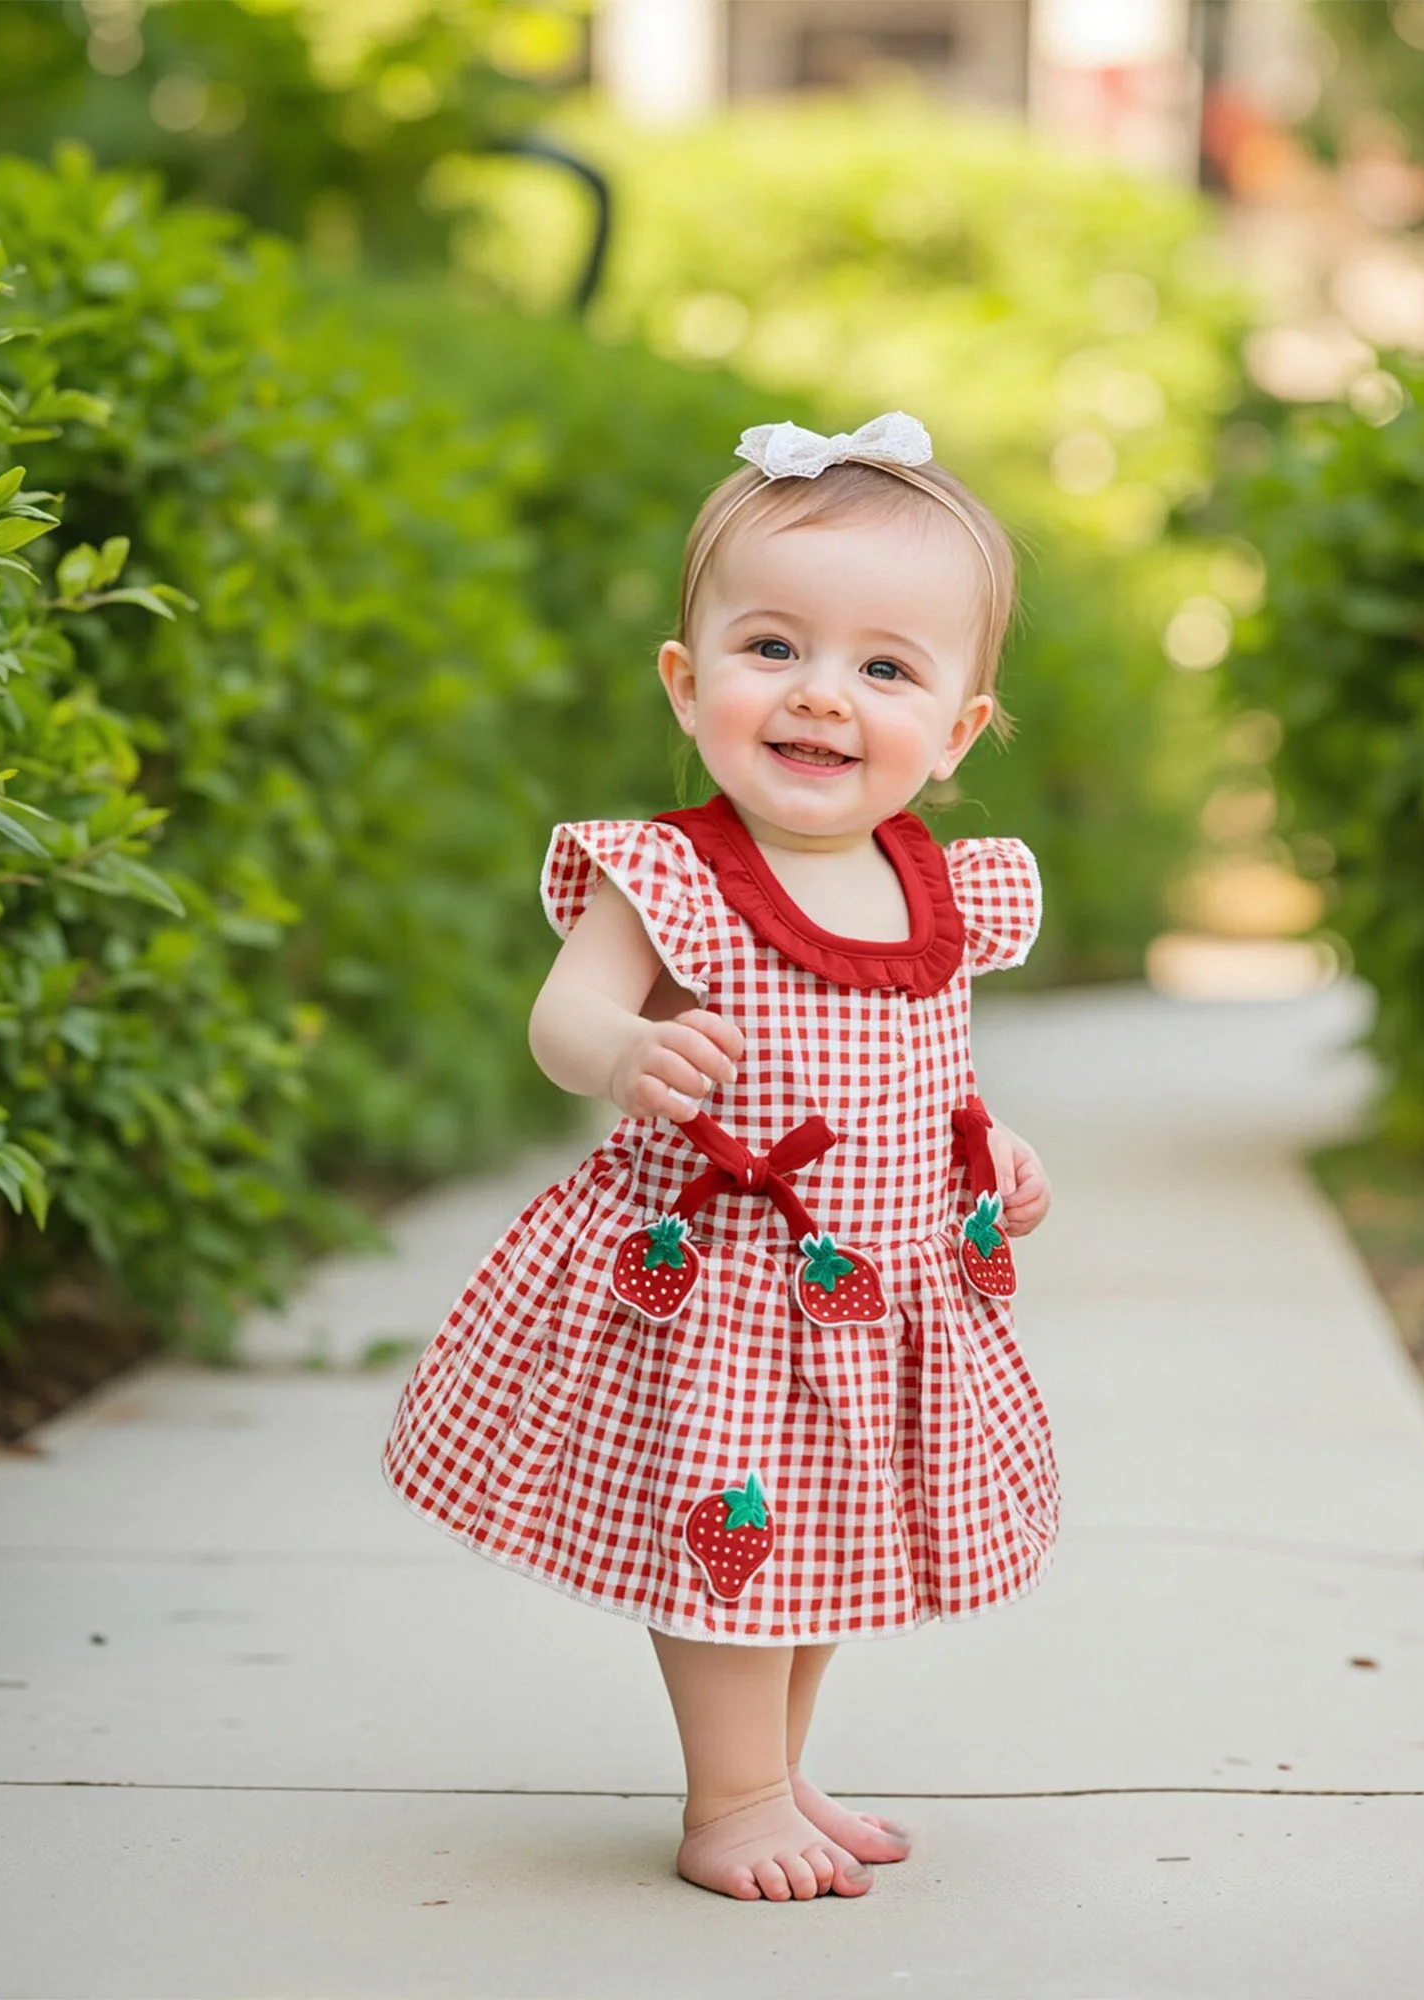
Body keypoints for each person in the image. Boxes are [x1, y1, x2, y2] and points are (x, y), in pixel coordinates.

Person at [382, 411, 1056, 1904]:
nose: (823, 695)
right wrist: (627, 1056)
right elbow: (566, 1018)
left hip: (876, 1300)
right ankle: (732, 1797)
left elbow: (929, 1067)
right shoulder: (676, 871)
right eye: (772, 648)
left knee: (820, 1546)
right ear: (688, 686)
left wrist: (992, 1147)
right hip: (723, 1303)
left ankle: (783, 1771)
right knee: (734, 1535)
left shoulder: (938, 889)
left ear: (953, 731)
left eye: (885, 669)